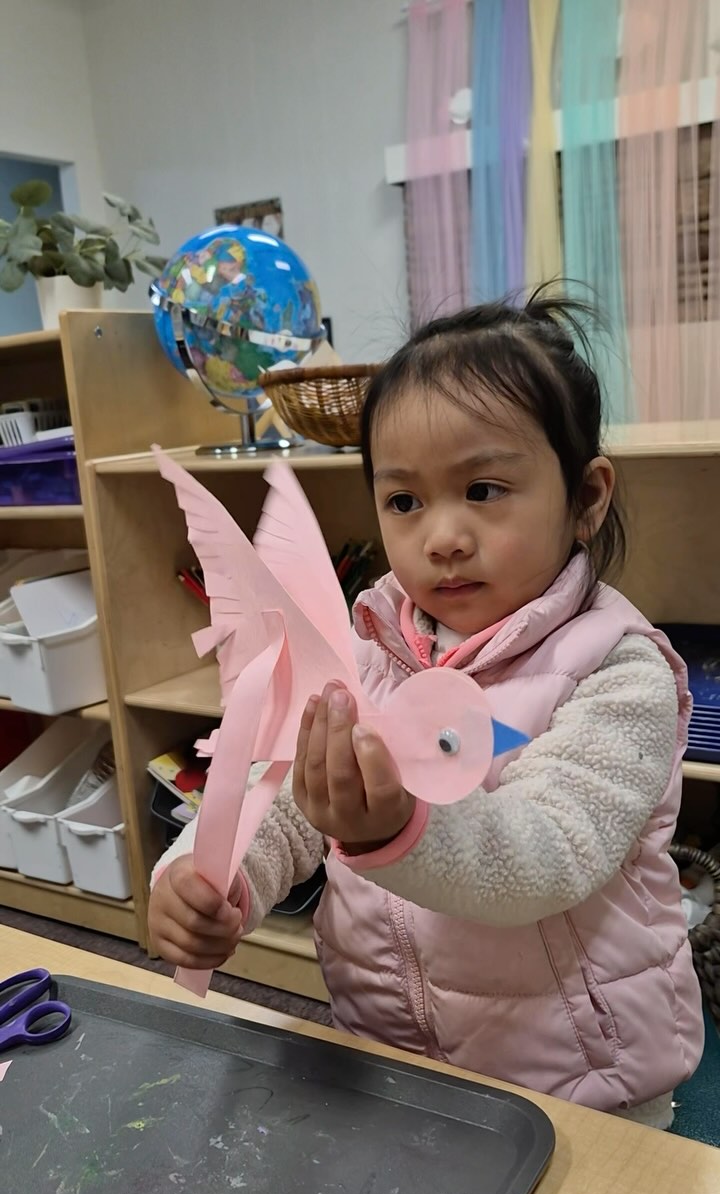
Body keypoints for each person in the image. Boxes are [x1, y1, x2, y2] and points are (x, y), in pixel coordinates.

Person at [148, 291, 704, 1129]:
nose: (441, 535)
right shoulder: (367, 653)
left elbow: (548, 858)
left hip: (583, 1086)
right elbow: (287, 797)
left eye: (483, 489)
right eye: (404, 501)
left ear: (587, 497)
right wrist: (208, 877)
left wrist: (391, 831)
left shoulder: (618, 674)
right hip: (386, 1054)